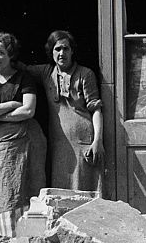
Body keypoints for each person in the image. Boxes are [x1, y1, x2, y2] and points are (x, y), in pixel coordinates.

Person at [0, 32, 45, 235]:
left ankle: (30, 238)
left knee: (27, 187)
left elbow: (28, 110)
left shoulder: (24, 78)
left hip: (26, 143)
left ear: (10, 54)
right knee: (3, 190)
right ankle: (7, 238)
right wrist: (12, 105)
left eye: (1, 53)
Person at [26, 30, 104, 192]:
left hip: (83, 141)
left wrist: (97, 141)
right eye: (57, 49)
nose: (62, 53)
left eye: (66, 48)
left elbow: (96, 109)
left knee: (84, 190)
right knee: (61, 190)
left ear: (72, 51)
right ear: (51, 52)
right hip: (59, 144)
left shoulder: (85, 74)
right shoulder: (46, 72)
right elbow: (19, 69)